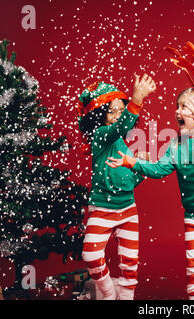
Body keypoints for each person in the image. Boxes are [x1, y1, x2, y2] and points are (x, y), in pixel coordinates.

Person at [106, 42, 194, 300]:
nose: (178, 111)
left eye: (187, 108)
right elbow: (160, 169)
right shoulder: (177, 145)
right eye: (179, 106)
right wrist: (132, 163)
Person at [78, 74, 156, 300]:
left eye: (121, 110)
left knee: (130, 264)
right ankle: (109, 294)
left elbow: (128, 182)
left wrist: (141, 166)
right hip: (102, 209)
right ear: (98, 116)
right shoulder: (100, 136)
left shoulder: (122, 145)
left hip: (128, 210)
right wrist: (136, 100)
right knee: (91, 255)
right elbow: (120, 127)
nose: (118, 116)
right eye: (112, 111)